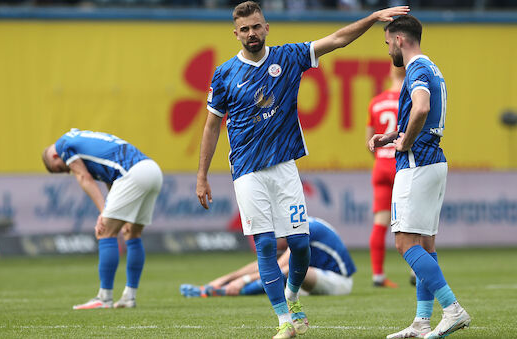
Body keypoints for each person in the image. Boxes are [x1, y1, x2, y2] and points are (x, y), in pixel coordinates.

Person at [196, 2, 409, 338]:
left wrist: (370, 18)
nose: (252, 33)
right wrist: (202, 175)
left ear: (267, 28)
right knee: (265, 245)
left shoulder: (289, 57)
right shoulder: (223, 75)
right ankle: (283, 320)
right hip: (247, 172)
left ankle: (292, 296)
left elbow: (337, 39)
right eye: (245, 29)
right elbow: (211, 127)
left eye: (257, 26)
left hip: (284, 167)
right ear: (236, 33)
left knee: (299, 244)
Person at [369, 16, 471, 339]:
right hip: (434, 162)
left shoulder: (415, 69)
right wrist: (393, 136)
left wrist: (406, 141)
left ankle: (452, 309)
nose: (388, 52)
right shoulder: (433, 68)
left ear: (399, 39)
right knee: (425, 245)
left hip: (417, 165)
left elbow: (422, 108)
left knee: (404, 243)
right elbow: (420, 114)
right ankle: (421, 322)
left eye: (387, 43)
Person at [42, 128, 163, 310]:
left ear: (54, 156)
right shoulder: (81, 140)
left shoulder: (63, 145)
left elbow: (84, 177)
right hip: (152, 171)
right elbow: (112, 181)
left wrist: (103, 212)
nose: (67, 171)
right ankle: (129, 297)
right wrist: (110, 210)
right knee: (131, 233)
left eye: (60, 169)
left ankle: (104, 297)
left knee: (105, 232)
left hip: (133, 174)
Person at [180, 217, 356, 298]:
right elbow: (265, 264)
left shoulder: (303, 231)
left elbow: (279, 267)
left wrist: (243, 281)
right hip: (313, 281)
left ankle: (227, 292)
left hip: (339, 282)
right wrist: (224, 278)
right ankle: (216, 286)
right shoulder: (296, 225)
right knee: (270, 264)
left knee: (289, 269)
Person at [365, 64, 405, 289]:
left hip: (380, 164)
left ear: (390, 73)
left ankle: (378, 275)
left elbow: (369, 141)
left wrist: (381, 159)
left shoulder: (376, 102)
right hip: (401, 165)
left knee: (380, 222)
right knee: (411, 219)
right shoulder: (409, 98)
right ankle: (414, 272)